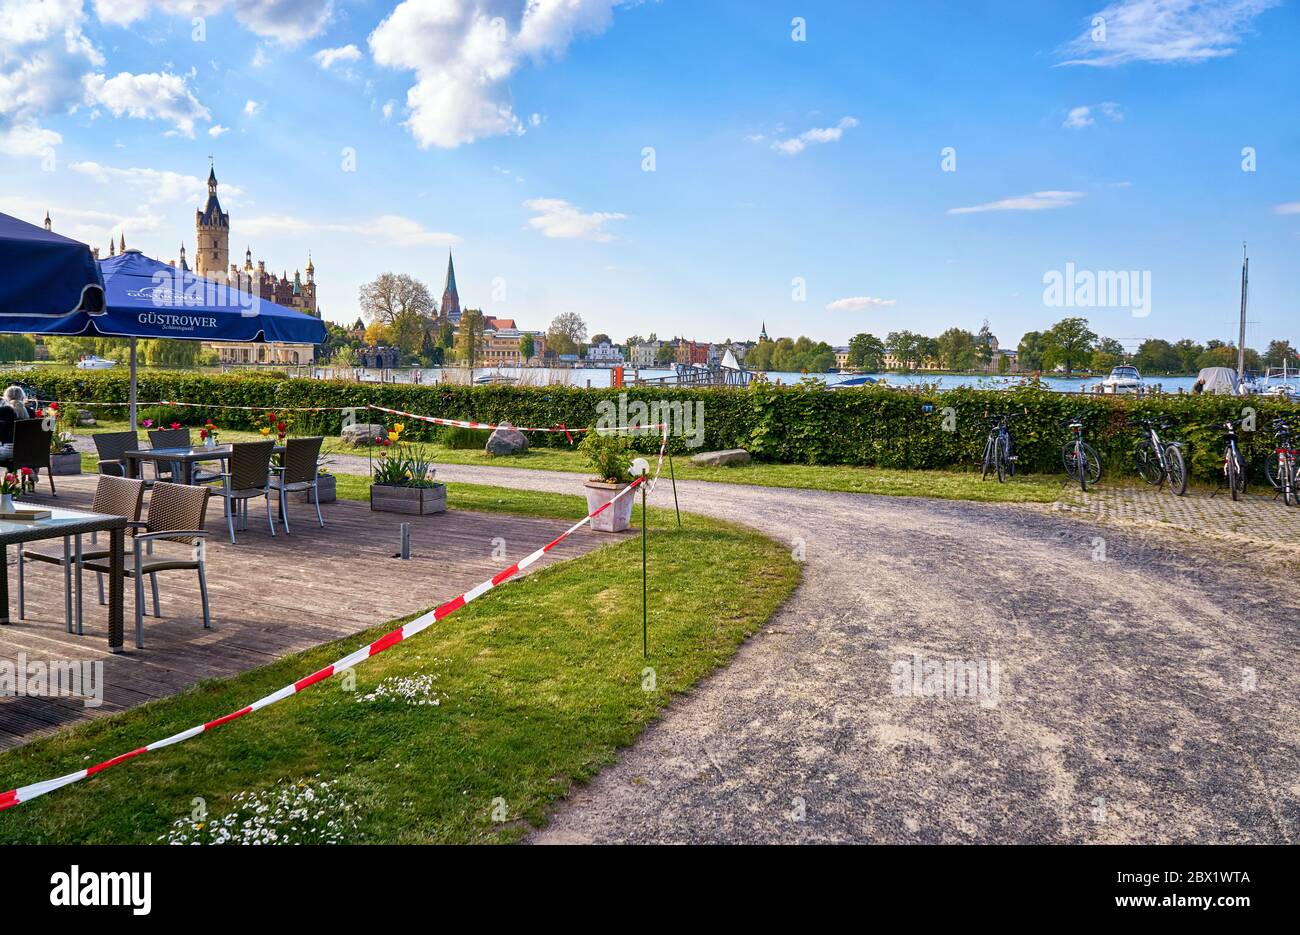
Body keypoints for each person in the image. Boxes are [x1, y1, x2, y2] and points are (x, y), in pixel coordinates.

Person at [0, 385, 32, 459]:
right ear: (22, 397)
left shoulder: (2, 411)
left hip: (7, 451)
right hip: (27, 450)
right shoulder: (30, 412)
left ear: (6, 398)